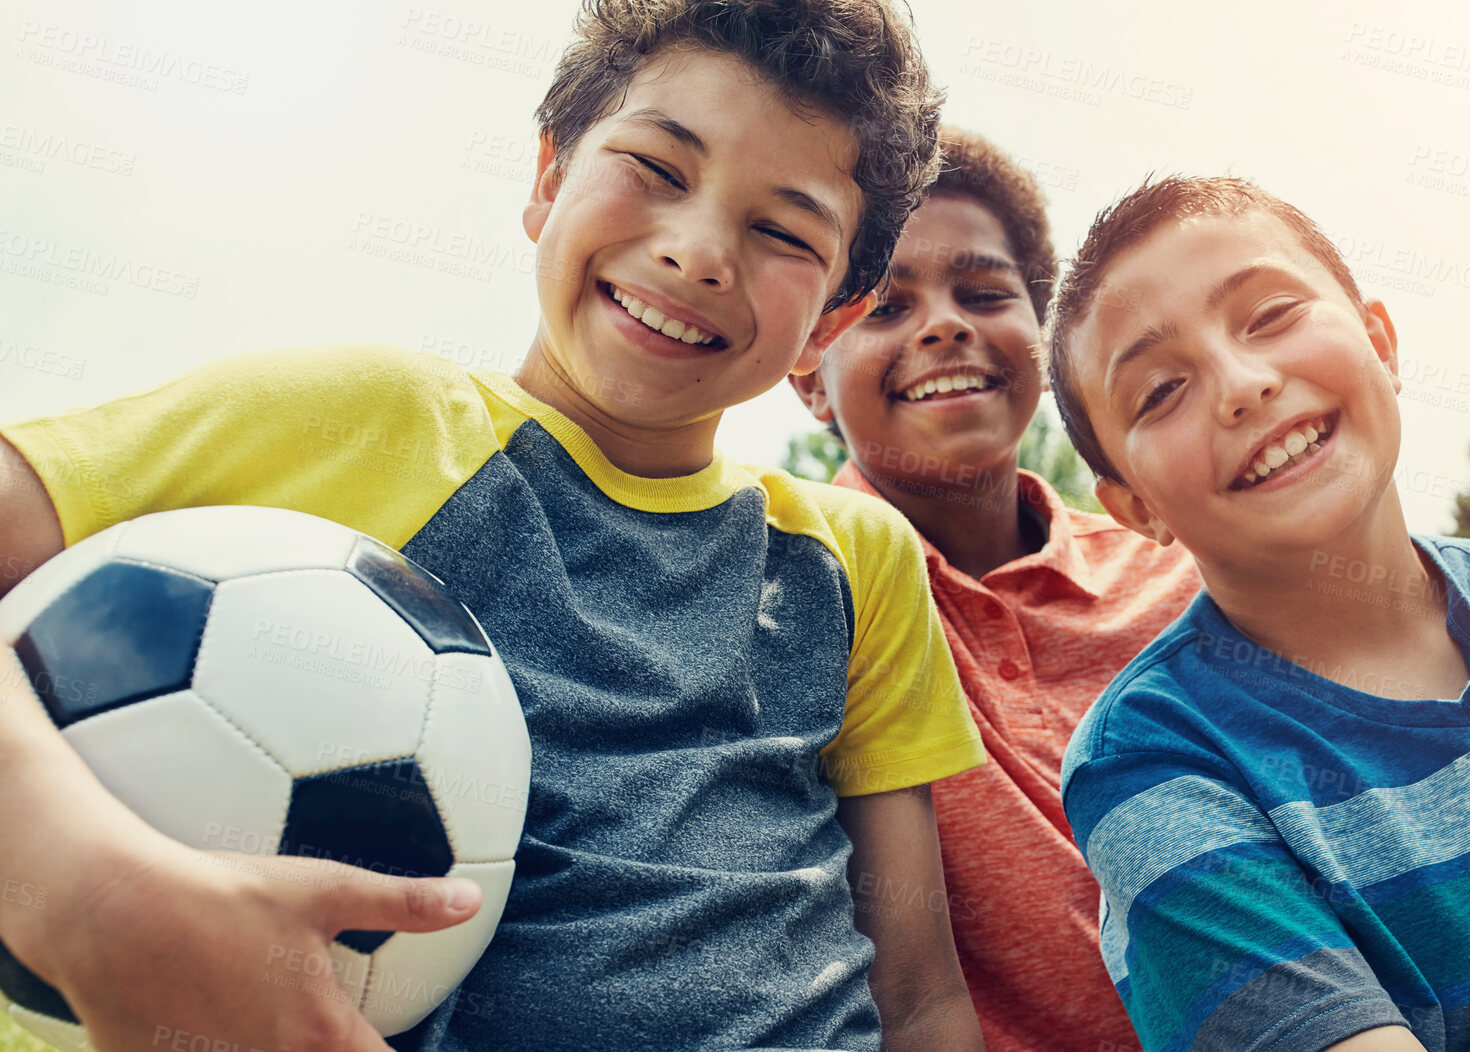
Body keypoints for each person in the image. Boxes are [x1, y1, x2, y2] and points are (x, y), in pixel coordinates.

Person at [0, 2, 988, 1050]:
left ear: (831, 319)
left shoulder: (854, 557)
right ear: (548, 179)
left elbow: (918, 988)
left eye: (782, 230)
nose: (698, 252)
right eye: (656, 166)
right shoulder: (359, 415)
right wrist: (86, 889)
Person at [792, 138, 1470, 1049]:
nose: (1243, 383)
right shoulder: (809, 604)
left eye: (984, 291)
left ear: (1379, 336)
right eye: (1162, 385)